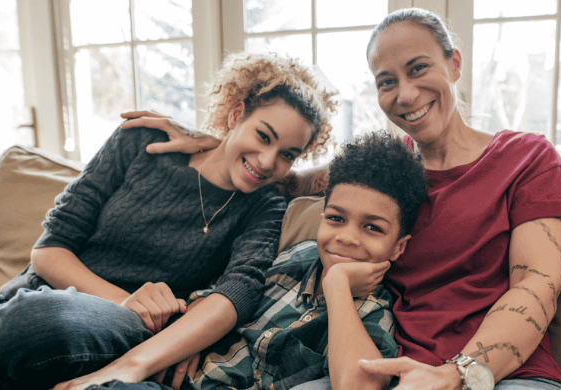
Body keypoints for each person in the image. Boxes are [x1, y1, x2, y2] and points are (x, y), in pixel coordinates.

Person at [124, 8, 561, 390]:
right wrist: (209, 141)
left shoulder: (527, 158)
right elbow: (280, 175)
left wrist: (454, 375)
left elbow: (536, 288)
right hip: (384, 367)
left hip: (502, 375)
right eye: (386, 80)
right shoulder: (386, 171)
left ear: (454, 64)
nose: (405, 94)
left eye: (418, 69)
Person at [0, 52, 335, 390]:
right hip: (16, 300)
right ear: (237, 112)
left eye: (287, 154)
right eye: (263, 136)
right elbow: (50, 249)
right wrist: (127, 300)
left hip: (106, 331)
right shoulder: (143, 140)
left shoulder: (264, 207)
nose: (267, 161)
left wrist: (157, 329)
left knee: (32, 323)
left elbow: (236, 294)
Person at [88, 131, 430, 390]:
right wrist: (192, 338)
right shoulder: (294, 259)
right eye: (336, 219)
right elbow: (220, 297)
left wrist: (337, 284)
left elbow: (357, 385)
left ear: (399, 247)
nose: (346, 237)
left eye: (372, 227)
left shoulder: (375, 312)